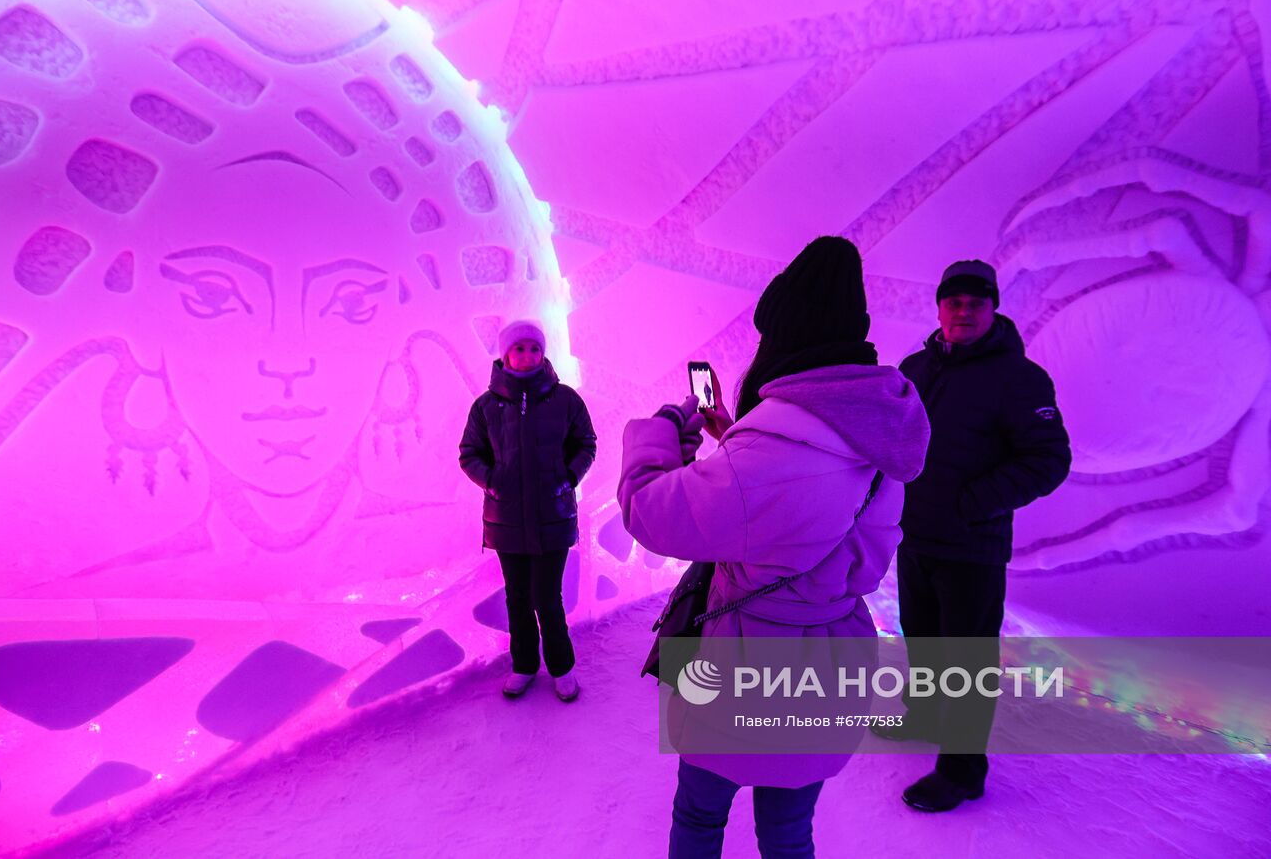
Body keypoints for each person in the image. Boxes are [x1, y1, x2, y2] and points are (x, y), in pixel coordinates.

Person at [619, 237, 930, 857]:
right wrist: (737, 443)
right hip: (830, 660)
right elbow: (809, 496)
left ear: (785, 341)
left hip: (742, 665)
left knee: (700, 817)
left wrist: (659, 432)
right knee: (789, 829)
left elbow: (648, 511)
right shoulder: (879, 427)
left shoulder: (762, 461)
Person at [879, 259, 1071, 812]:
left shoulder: (1020, 377)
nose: (963, 311)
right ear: (939, 307)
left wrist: (972, 505)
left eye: (975, 302)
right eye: (953, 301)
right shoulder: (914, 368)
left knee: (966, 661)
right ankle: (921, 715)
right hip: (913, 536)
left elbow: (1048, 459)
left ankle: (963, 771)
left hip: (971, 546)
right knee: (919, 635)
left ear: (992, 308)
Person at [459, 321, 597, 701]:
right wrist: (492, 480)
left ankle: (562, 667)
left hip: (552, 515)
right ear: (505, 355)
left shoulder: (565, 400)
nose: (527, 356)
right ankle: (523, 665)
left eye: (534, 349)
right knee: (517, 598)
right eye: (519, 349)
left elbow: (586, 442)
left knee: (546, 597)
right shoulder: (486, 407)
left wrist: (569, 476)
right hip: (507, 522)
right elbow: (469, 453)